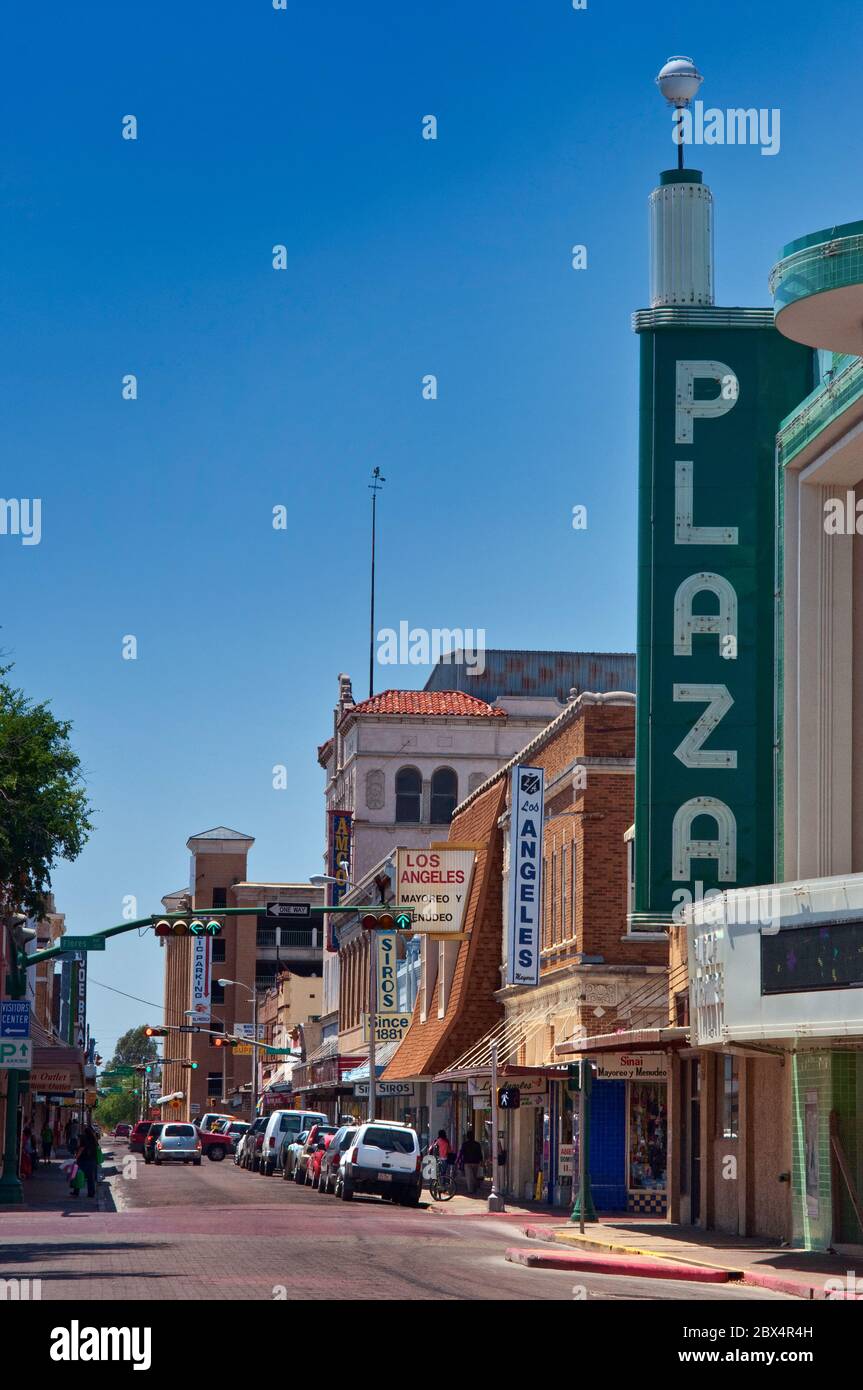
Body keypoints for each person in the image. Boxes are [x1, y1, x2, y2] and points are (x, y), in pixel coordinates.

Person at [73, 1126, 99, 1199]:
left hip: (83, 1160)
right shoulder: (94, 1140)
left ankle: (76, 1191)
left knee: (78, 1175)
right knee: (90, 1178)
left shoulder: (84, 1139)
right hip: (92, 1161)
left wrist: (76, 1157)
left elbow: (81, 1149)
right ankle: (91, 1193)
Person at [458, 1129, 484, 1195]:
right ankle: (474, 1188)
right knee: (474, 1176)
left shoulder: (465, 1144)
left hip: (467, 1162)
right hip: (476, 1162)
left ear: (467, 1137)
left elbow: (461, 1153)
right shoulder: (477, 1144)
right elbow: (480, 1153)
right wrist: (481, 1160)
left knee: (469, 1177)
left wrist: (458, 1160)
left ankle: (470, 1190)